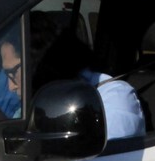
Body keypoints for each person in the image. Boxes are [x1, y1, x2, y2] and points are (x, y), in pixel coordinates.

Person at [17, 12, 144, 140]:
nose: (12, 86)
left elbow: (105, 148)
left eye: (13, 72)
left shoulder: (112, 97)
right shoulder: (30, 100)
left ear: (44, 66)